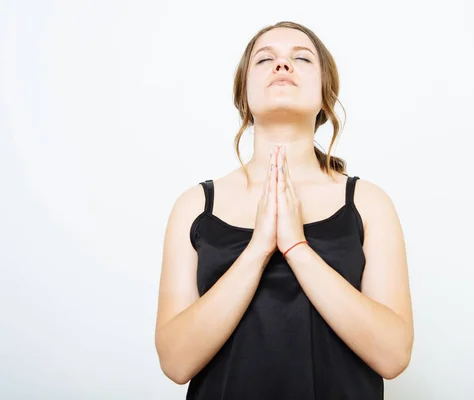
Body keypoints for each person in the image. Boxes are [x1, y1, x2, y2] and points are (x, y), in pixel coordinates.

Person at [154, 21, 414, 399]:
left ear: (326, 93)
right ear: (243, 93)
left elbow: (393, 356)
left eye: (301, 58)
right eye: (265, 59)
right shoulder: (194, 206)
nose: (282, 65)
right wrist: (259, 246)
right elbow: (176, 363)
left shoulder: (368, 203)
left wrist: (296, 247)